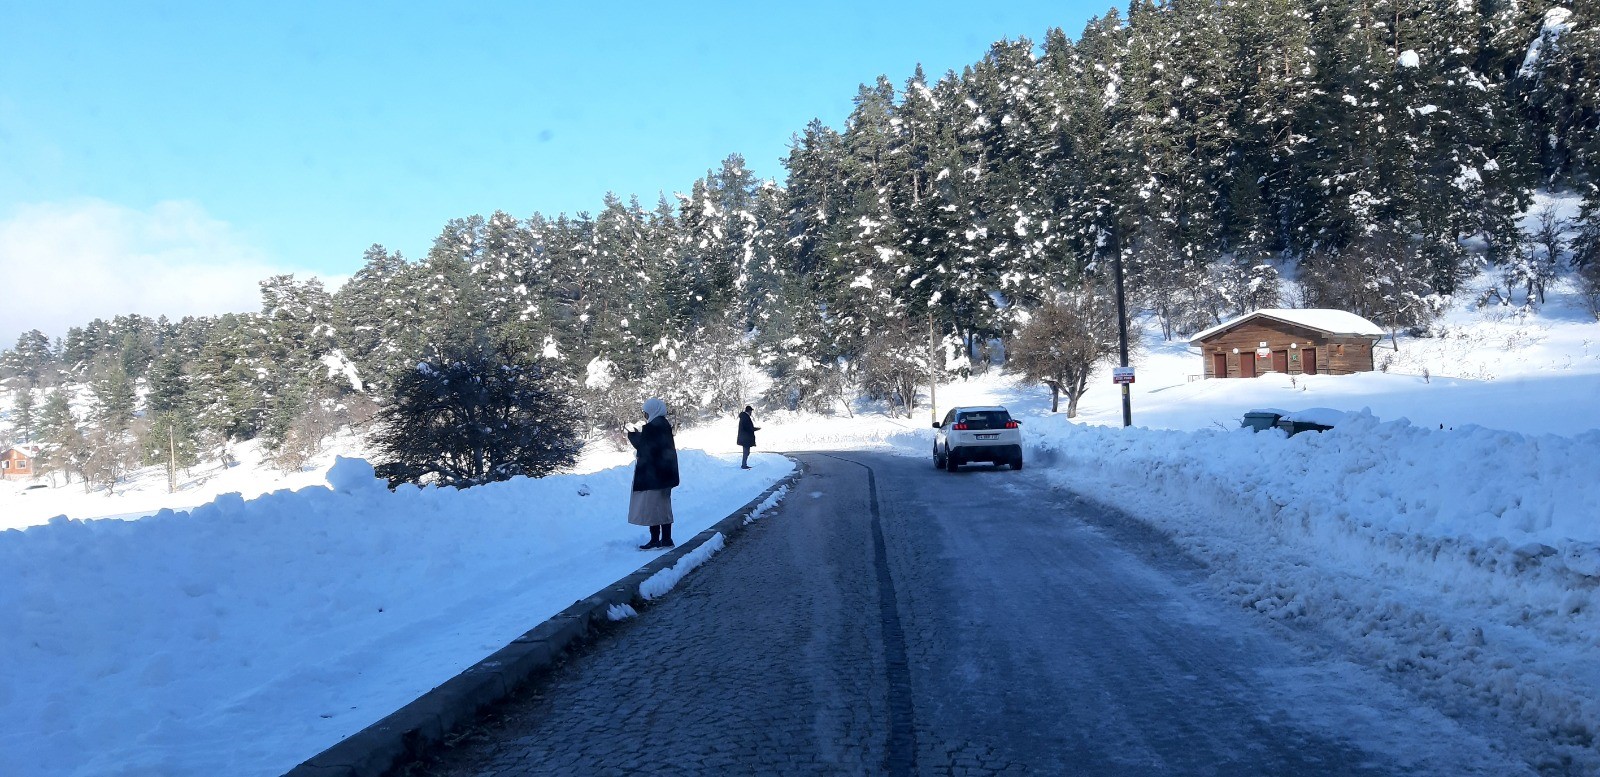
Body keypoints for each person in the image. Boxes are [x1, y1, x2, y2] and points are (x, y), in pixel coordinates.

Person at [627, 398, 679, 550]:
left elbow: (646, 449)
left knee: (652, 508)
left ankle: (655, 539)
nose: (644, 414)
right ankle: (666, 539)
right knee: (663, 507)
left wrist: (633, 437)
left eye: (645, 412)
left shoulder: (653, 427)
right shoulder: (664, 424)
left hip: (653, 475)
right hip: (664, 474)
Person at [736, 405, 760, 469]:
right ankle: (744, 465)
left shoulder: (744, 417)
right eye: (751, 411)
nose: (751, 412)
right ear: (749, 411)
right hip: (745, 438)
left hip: (745, 438)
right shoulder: (745, 417)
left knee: (746, 452)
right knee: (746, 452)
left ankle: (744, 464)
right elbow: (747, 428)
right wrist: (755, 429)